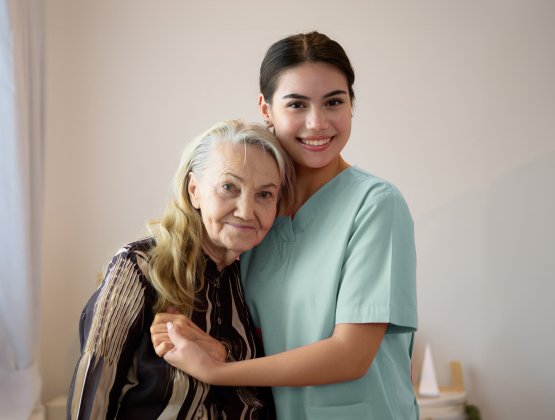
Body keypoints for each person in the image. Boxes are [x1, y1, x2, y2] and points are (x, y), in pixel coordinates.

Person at [153, 32, 418, 420]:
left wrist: (219, 371)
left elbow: (351, 356)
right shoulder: (254, 212)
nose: (317, 123)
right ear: (266, 108)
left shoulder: (376, 205)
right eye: (296, 104)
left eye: (334, 102)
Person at [67, 120, 294, 420]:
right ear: (194, 190)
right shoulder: (138, 266)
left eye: (264, 195)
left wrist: (224, 357)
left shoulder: (261, 280)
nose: (245, 210)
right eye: (229, 187)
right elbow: (92, 394)